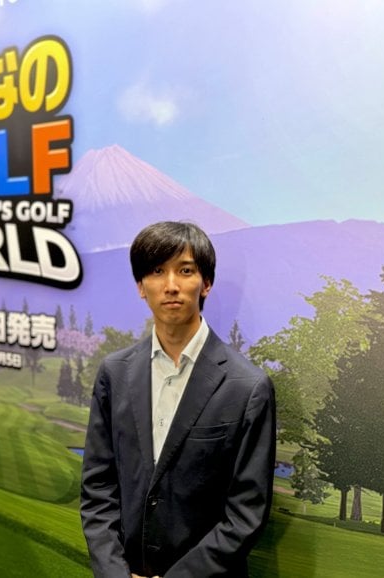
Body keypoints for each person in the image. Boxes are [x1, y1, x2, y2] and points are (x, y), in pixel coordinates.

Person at [80, 221, 276, 577]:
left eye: (185, 271)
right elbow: (98, 489)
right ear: (141, 286)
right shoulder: (114, 373)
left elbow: (246, 514)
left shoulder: (248, 387)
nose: (171, 285)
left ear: (206, 283)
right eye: (157, 271)